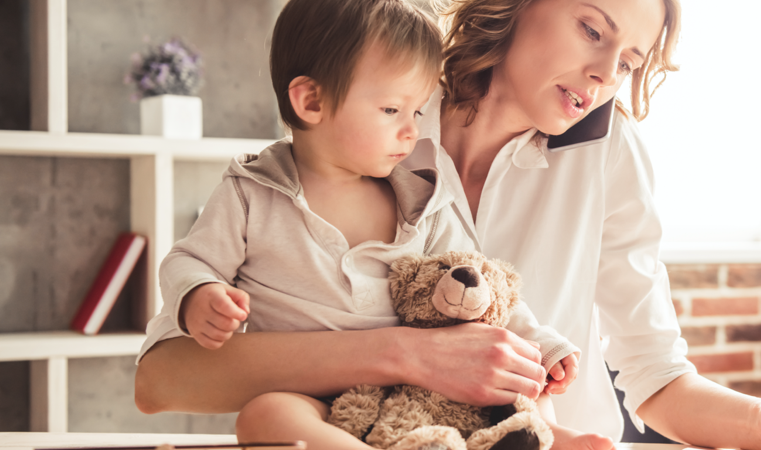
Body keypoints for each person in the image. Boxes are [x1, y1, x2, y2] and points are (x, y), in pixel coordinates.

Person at [136, 0, 761, 449]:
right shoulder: (378, 113)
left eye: (630, 59)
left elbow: (656, 376)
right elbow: (165, 378)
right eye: (592, 29)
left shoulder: (609, 155)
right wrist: (406, 356)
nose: (607, 73)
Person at [136, 1, 582, 449]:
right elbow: (188, 260)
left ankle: (544, 435)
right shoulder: (252, 191)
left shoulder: (425, 202)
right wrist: (198, 295)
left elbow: (486, 284)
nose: (411, 132)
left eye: (417, 112)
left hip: (420, 398)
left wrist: (542, 343)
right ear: (311, 101)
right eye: (392, 110)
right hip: (311, 399)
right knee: (263, 416)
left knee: (515, 367)